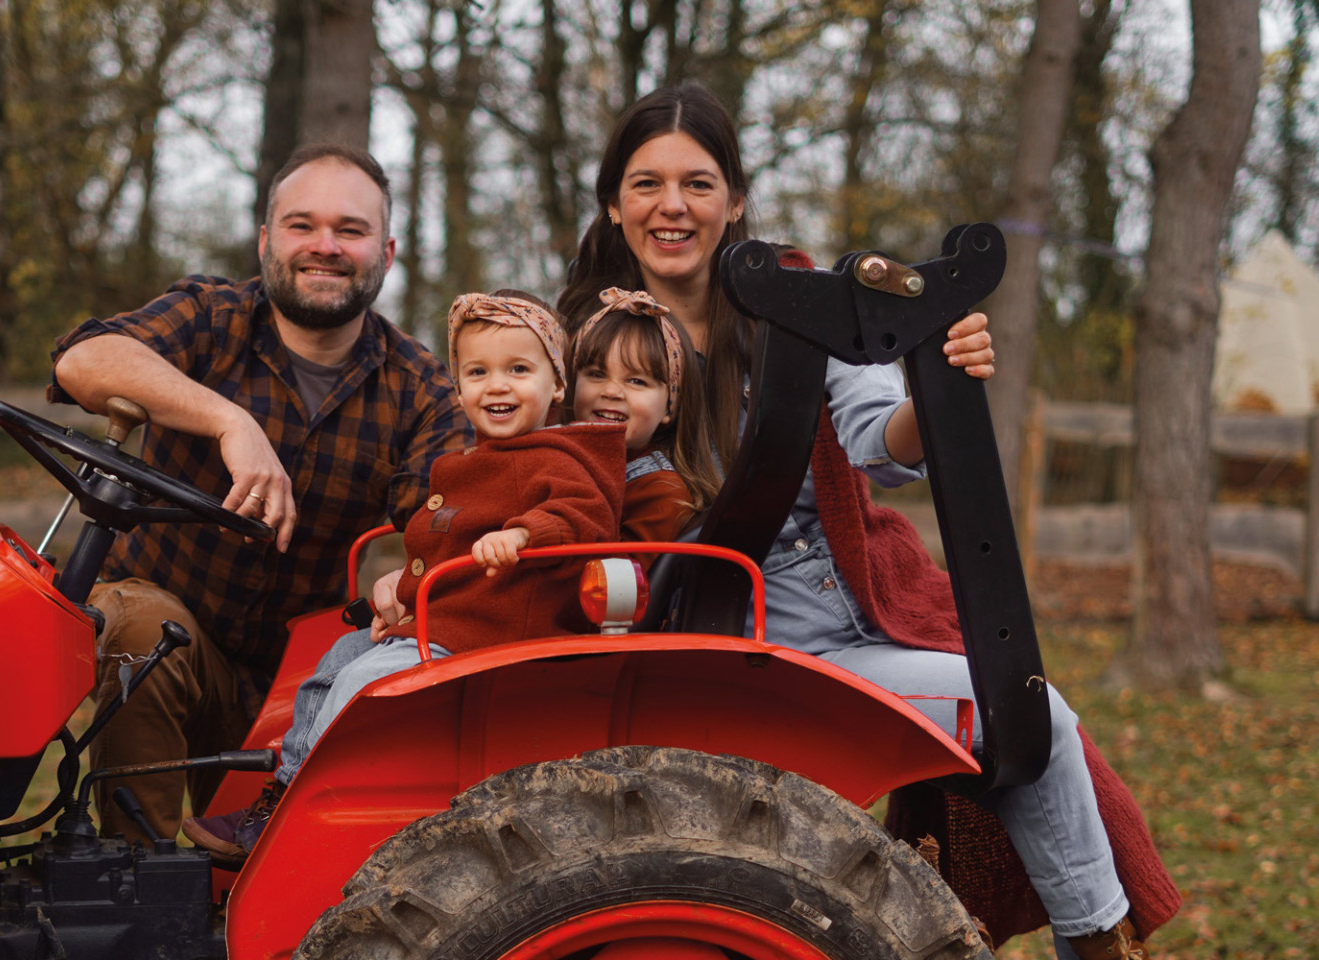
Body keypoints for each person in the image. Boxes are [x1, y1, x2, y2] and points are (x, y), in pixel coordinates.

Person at [557, 84, 1178, 959]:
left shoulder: (797, 307)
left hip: (852, 608)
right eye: (647, 183)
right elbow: (533, 465)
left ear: (735, 201)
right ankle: (1089, 939)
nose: (672, 206)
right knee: (1021, 714)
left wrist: (936, 378)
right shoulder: (587, 342)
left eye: (698, 184)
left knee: (1026, 713)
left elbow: (879, 441)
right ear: (614, 203)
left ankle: (1097, 940)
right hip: (719, 636)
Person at [47, 143, 473, 843]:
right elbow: (83, 360)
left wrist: (419, 565)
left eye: (352, 230)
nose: (326, 247)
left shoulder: (418, 387)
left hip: (295, 680)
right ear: (267, 239)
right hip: (168, 643)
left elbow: (453, 507)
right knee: (140, 623)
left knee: (261, 864)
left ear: (387, 251)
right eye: (303, 225)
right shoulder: (212, 317)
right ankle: (138, 882)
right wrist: (227, 420)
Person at [182, 291, 625, 866]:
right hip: (436, 623)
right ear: (458, 385)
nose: (497, 386)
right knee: (331, 665)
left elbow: (581, 515)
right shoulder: (468, 461)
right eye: (478, 372)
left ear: (557, 385)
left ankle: (296, 813)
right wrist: (403, 584)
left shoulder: (559, 458)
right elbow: (439, 545)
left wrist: (522, 536)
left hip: (484, 638)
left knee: (358, 683)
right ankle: (284, 791)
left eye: (519, 370)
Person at [568, 287, 720, 551]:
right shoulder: (554, 453)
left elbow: (620, 584)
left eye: (636, 381)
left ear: (669, 408)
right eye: (596, 374)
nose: (611, 391)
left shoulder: (661, 494)